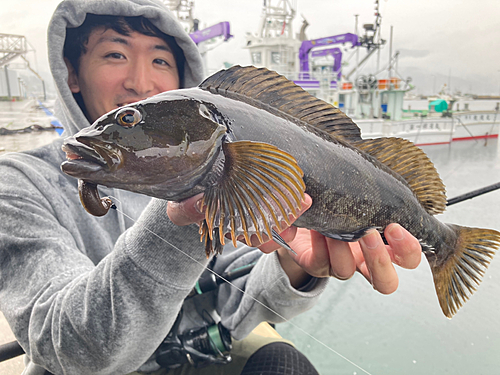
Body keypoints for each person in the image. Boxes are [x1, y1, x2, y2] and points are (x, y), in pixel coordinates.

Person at [0, 0, 421, 374]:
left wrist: (297, 266)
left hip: (205, 351)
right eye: (115, 54)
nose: (141, 84)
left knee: (286, 364)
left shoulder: (227, 168)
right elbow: (67, 350)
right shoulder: (18, 182)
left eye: (161, 61)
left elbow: (238, 305)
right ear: (71, 72)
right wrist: (183, 215)